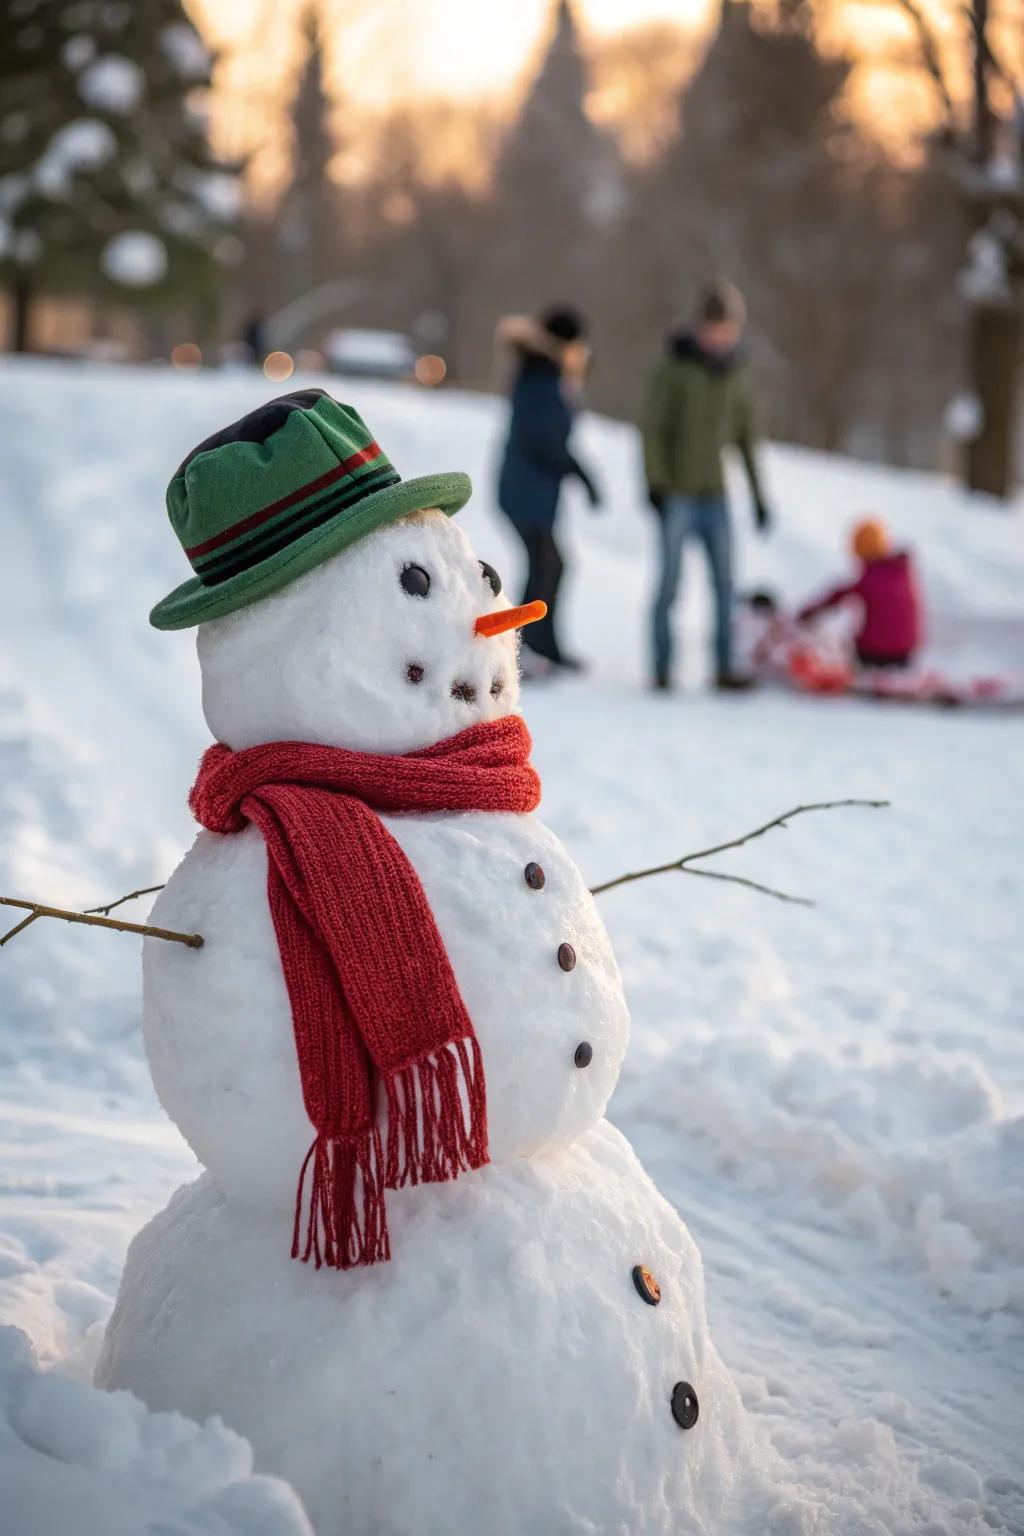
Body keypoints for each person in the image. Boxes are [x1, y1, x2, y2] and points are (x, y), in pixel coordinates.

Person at [642, 279, 771, 691]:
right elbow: (653, 429)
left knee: (725, 585)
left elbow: (747, 437)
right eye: (714, 328)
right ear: (700, 327)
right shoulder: (675, 369)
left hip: (716, 495)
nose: (720, 337)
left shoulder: (735, 375)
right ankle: (662, 668)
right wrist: (655, 483)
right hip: (677, 493)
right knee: (670, 583)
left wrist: (759, 497)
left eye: (727, 330)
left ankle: (724, 666)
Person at [497, 307, 601, 672]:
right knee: (546, 567)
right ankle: (522, 650)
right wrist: (582, 474)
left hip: (534, 492)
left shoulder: (548, 374)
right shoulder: (539, 375)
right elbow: (544, 439)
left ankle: (545, 647)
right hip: (524, 492)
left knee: (552, 566)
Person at [798, 518, 923, 669]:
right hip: (906, 654)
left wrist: (808, 613)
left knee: (842, 643)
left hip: (875, 655)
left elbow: (837, 596)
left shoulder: (868, 579)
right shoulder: (902, 572)